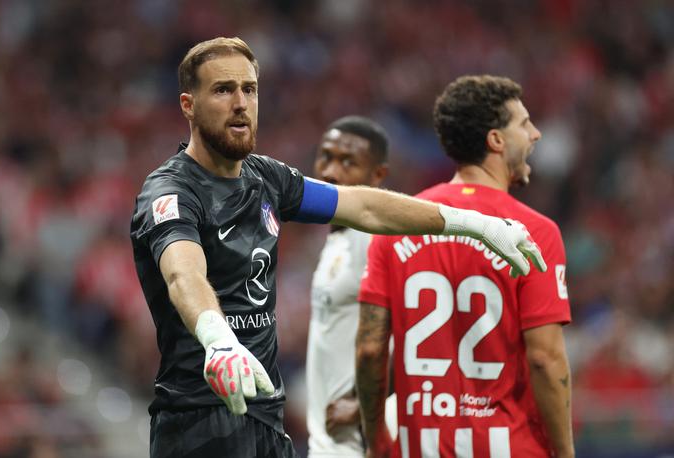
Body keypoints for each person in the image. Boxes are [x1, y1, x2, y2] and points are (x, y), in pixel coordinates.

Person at [130, 37, 545, 458]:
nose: (241, 103)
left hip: (264, 420)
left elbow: (363, 205)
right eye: (223, 90)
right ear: (188, 105)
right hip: (197, 420)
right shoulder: (172, 190)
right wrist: (218, 338)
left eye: (249, 89)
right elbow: (184, 273)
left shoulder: (266, 179)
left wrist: (473, 223)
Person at [356, 75, 574, 458]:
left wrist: (376, 443)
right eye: (524, 124)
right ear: (496, 141)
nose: (536, 134)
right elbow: (545, 358)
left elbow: (371, 349)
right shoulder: (534, 233)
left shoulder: (395, 227)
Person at [305, 115, 389, 458]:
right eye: (326, 156)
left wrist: (363, 407)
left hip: (355, 443)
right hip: (327, 442)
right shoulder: (339, 234)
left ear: (378, 176)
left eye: (348, 162)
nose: (330, 171)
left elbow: (415, 335)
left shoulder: (375, 240)